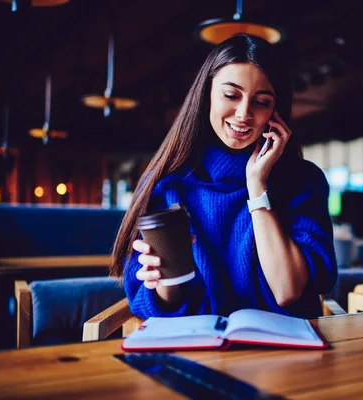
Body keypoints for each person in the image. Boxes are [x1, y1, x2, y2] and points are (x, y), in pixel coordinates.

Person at [110, 34, 338, 319]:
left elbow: (287, 290)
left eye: (262, 102)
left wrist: (256, 186)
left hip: (287, 353)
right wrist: (164, 282)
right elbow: (162, 306)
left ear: (276, 112)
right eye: (231, 95)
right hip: (199, 348)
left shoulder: (303, 182)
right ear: (206, 95)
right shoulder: (167, 183)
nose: (244, 114)